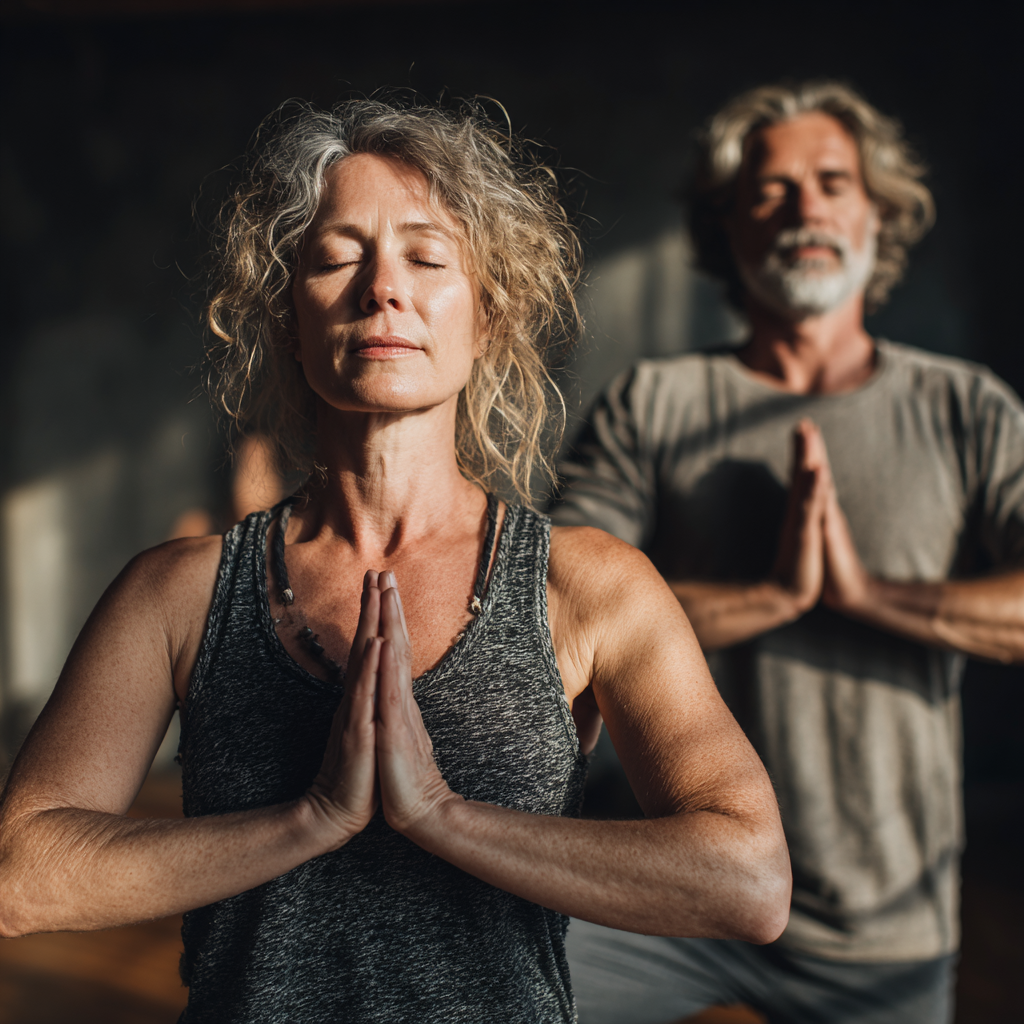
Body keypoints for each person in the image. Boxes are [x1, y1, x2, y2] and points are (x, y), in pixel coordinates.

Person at [0, 99, 790, 1024]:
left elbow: (748, 880)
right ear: (288, 318)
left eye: (426, 257)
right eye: (337, 258)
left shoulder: (588, 587)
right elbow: (22, 875)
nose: (383, 290)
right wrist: (311, 820)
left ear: (487, 315)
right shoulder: (177, 593)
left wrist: (441, 817)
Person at [552, 80, 1024, 1024]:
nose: (806, 208)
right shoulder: (655, 403)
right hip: (664, 889)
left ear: (878, 214)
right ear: (725, 223)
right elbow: (552, 611)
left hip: (880, 927)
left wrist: (861, 594)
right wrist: (768, 594)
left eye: (833, 182)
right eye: (771, 190)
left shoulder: (966, 408)